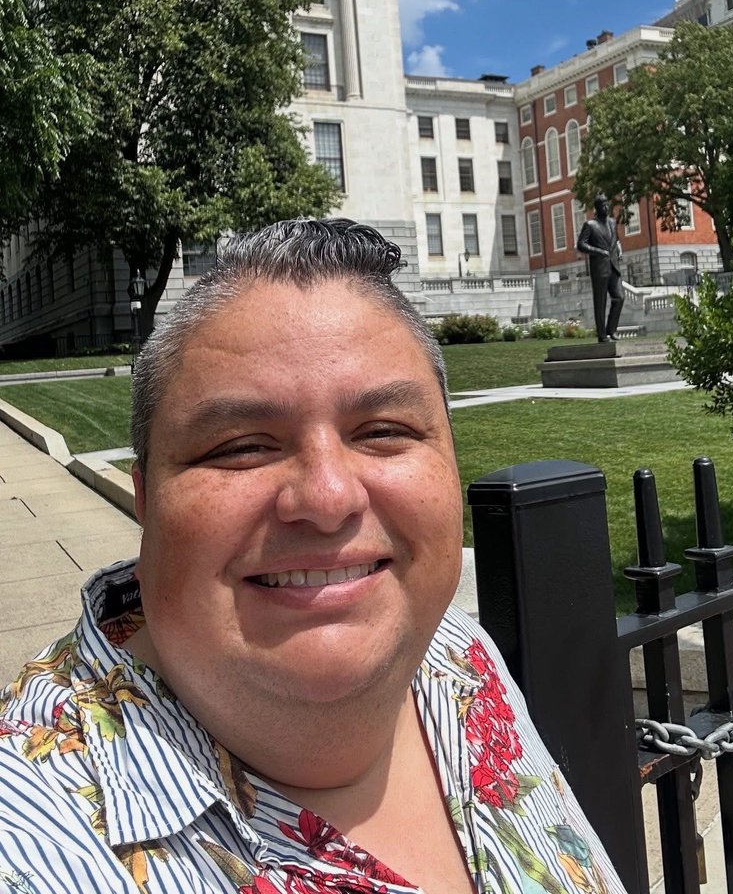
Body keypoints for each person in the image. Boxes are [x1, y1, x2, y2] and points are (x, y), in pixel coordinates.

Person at [0, 218, 625, 894]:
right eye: (241, 447)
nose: (327, 498)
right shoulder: (29, 846)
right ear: (147, 500)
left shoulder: (454, 651)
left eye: (382, 431)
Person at [576, 196, 625, 342]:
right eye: (603, 205)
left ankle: (612, 329)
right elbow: (581, 244)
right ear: (597, 208)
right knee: (600, 302)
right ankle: (602, 335)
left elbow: (615, 239)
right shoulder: (590, 225)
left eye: (607, 204)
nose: (606, 207)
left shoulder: (612, 222)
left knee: (619, 297)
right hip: (599, 269)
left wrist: (619, 248)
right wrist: (598, 251)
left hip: (614, 266)